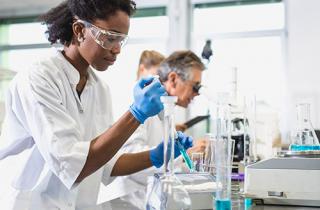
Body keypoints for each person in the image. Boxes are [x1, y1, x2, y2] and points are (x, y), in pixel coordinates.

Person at [0, 1, 193, 209]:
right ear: (80, 30)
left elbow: (107, 164)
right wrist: (136, 114)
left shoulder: (99, 88)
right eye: (110, 38)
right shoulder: (38, 78)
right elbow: (72, 164)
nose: (117, 49)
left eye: (121, 40)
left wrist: (155, 155)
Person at [107, 50, 207, 209]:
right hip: (126, 201)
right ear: (173, 79)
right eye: (195, 86)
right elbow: (128, 158)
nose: (197, 94)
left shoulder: (166, 108)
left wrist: (186, 155)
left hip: (149, 198)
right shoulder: (142, 101)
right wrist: (181, 157)